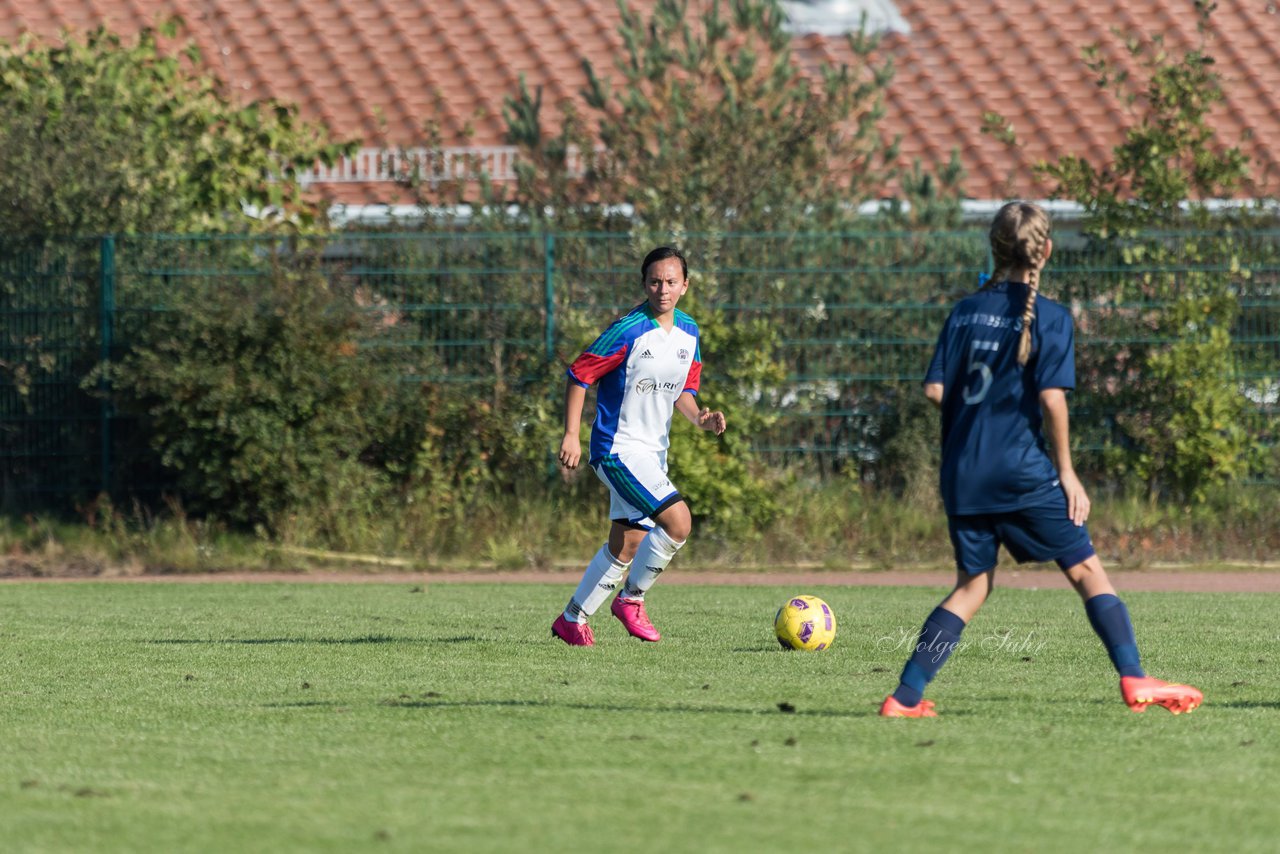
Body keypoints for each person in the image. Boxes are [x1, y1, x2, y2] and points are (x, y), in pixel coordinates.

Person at [879, 201, 1203, 717]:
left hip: (962, 471)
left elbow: (936, 389)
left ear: (994, 248)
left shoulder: (963, 312)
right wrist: (1067, 473)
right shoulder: (1050, 317)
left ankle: (905, 697)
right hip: (1020, 471)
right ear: (1046, 251)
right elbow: (1053, 399)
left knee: (972, 586)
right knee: (1087, 572)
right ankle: (1135, 677)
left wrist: (977, 415)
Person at [552, 246, 727, 646]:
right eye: (654, 281)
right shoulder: (628, 329)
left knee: (629, 541)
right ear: (644, 284)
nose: (662, 289)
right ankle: (631, 600)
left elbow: (683, 390)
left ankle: (572, 620)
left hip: (652, 452)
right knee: (678, 522)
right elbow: (580, 374)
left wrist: (701, 417)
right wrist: (571, 434)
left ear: (685, 285)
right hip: (617, 449)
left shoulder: (689, 332)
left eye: (670, 281)